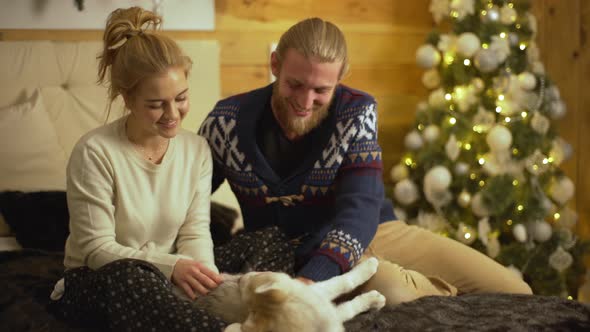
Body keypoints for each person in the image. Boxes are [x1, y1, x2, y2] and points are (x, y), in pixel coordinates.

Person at [198, 17, 532, 305]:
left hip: (376, 230)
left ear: (341, 77)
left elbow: (359, 207)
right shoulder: (226, 121)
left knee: (516, 291)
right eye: (295, 84)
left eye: (321, 91)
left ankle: (432, 287)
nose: (305, 101)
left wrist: (313, 281)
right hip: (295, 252)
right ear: (275, 65)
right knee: (393, 291)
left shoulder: (356, 111)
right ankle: (443, 296)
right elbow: (190, 196)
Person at [50, 7, 293, 331]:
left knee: (272, 241)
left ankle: (210, 313)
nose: (172, 114)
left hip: (172, 275)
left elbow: (194, 232)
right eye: (155, 104)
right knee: (129, 277)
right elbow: (96, 250)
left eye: (180, 98)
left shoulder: (196, 150)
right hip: (101, 280)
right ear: (127, 98)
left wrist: (207, 281)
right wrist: (172, 267)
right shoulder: (94, 153)